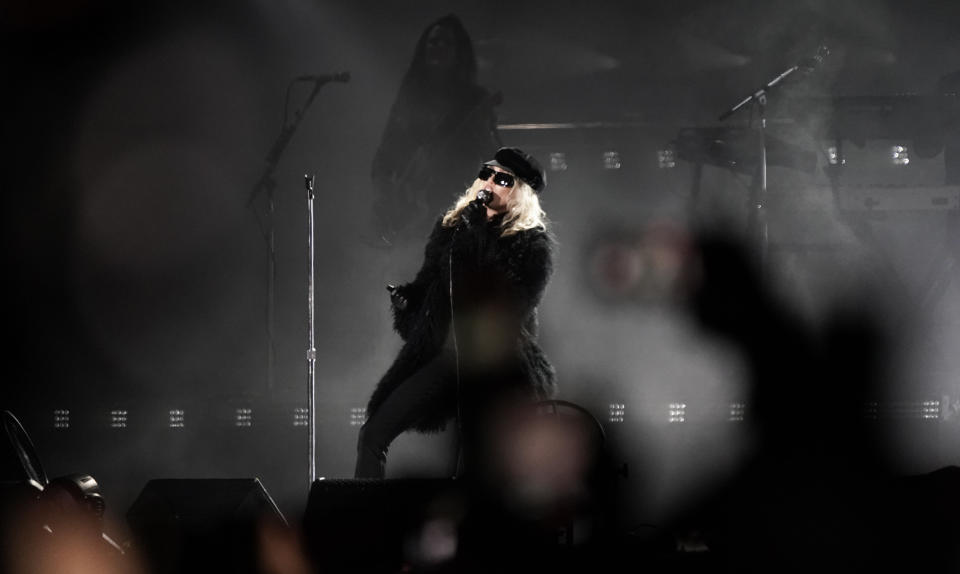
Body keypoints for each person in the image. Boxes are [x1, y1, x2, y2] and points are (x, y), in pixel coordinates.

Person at [355, 147, 556, 479]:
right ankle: (366, 522)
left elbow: (508, 309)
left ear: (519, 192)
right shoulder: (453, 229)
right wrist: (409, 302)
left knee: (473, 465)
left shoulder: (531, 246)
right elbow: (430, 284)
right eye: (485, 173)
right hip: (447, 359)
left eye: (502, 179)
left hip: (491, 368)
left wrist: (476, 235)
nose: (488, 182)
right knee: (374, 433)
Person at [370, 14, 502, 243]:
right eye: (433, 41)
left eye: (446, 42)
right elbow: (385, 153)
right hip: (412, 219)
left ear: (458, 52)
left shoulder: (473, 100)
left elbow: (495, 158)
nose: (438, 47)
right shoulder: (410, 97)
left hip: (457, 209)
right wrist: (390, 194)